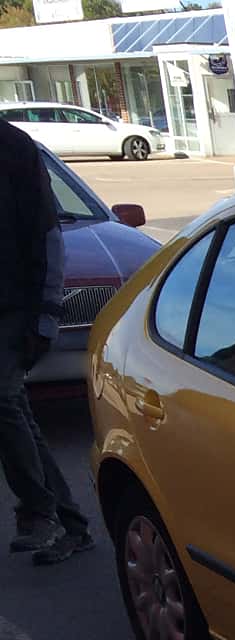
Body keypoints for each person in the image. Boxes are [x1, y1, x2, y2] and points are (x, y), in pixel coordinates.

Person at [0, 114, 92, 567]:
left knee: (2, 400)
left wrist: (47, 315)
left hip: (16, 311)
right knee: (14, 410)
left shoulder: (14, 148)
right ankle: (70, 524)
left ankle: (39, 512)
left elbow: (48, 235)